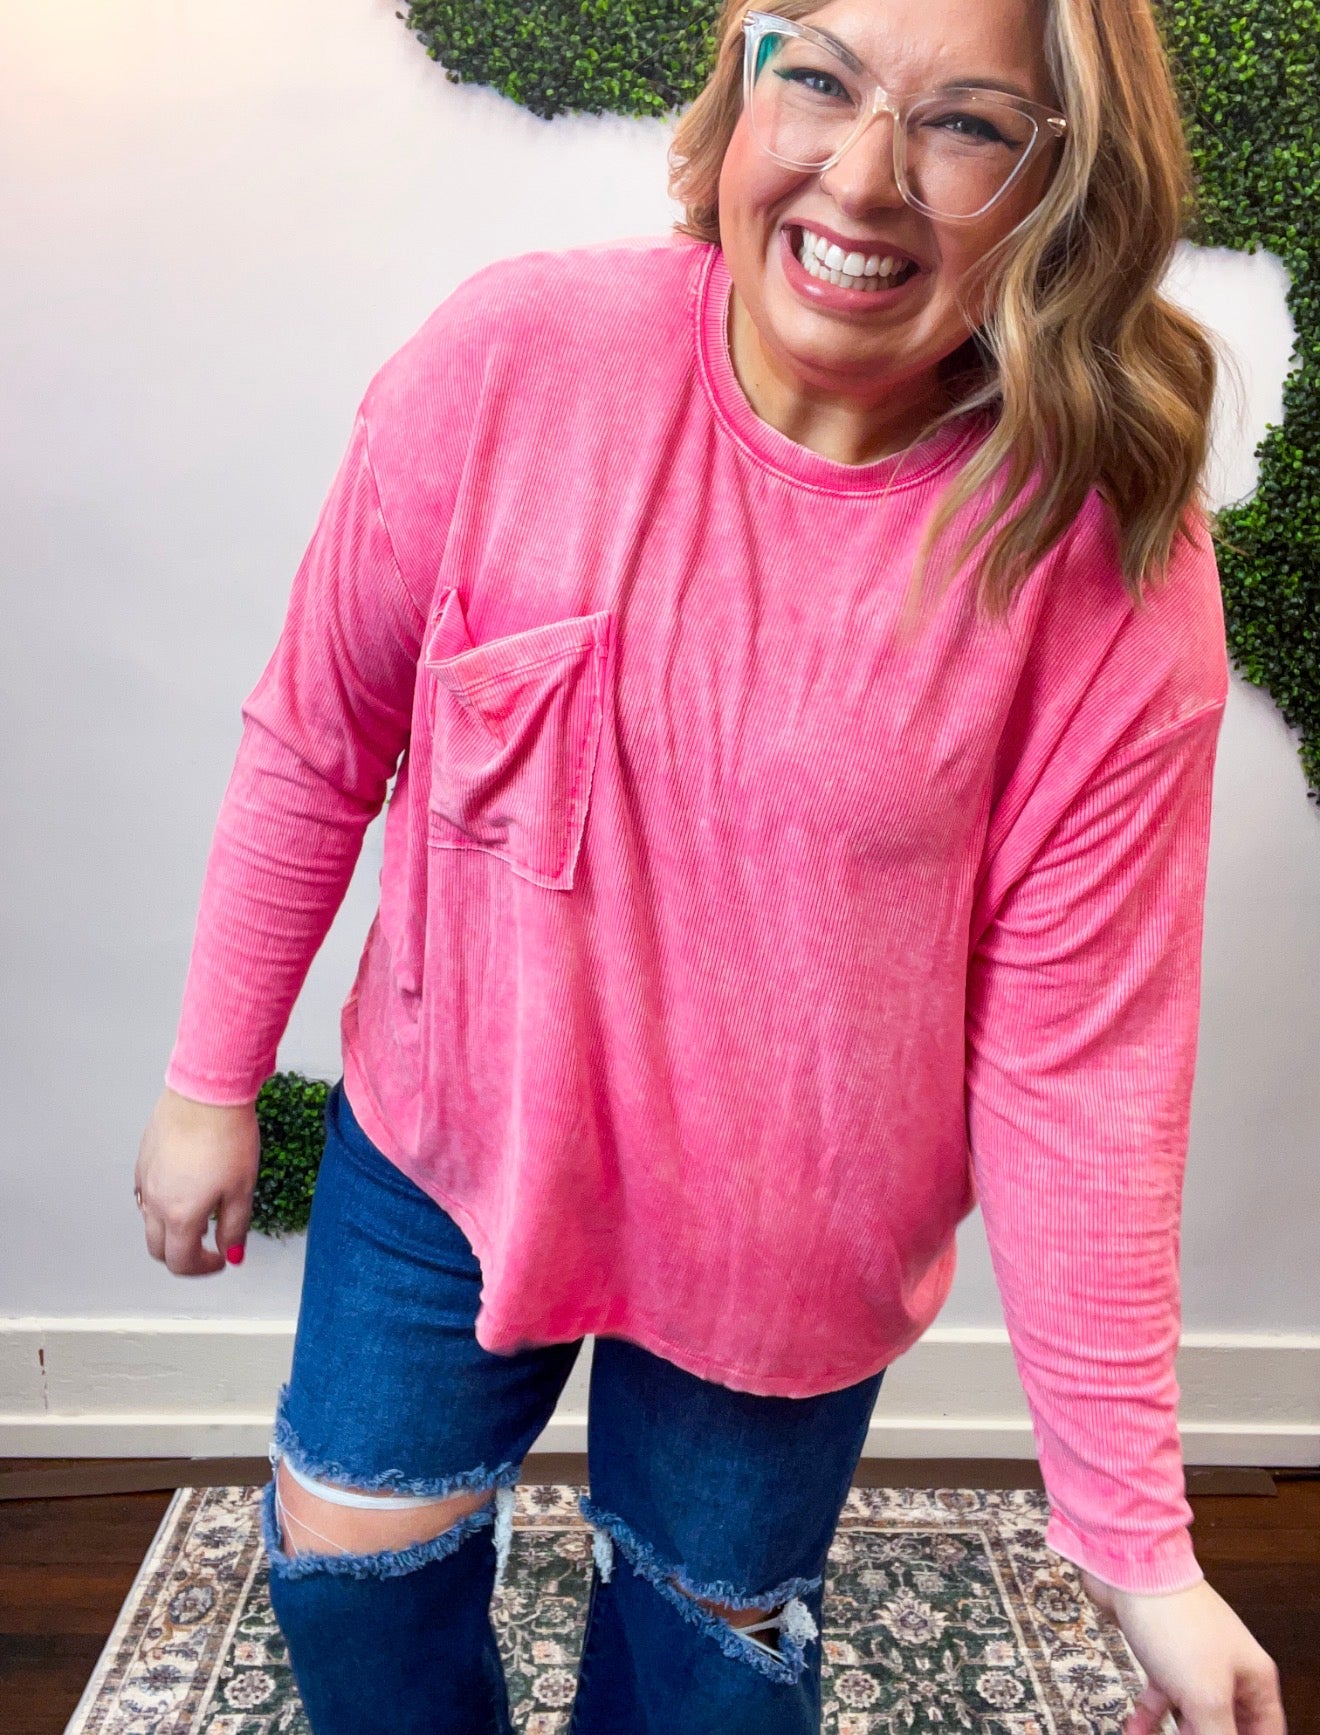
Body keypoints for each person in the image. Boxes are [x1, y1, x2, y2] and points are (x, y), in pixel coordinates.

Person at [134, 0, 1288, 1729]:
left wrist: (1141, 1549)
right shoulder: (512, 359)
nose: (864, 175)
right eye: (817, 76)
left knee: (707, 1679)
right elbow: (320, 733)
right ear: (745, 77)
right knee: (355, 1594)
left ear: (1062, 185)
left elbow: (1084, 1065)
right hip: (451, 1145)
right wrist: (209, 1078)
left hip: (791, 1242)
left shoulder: (1098, 555)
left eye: (966, 123)